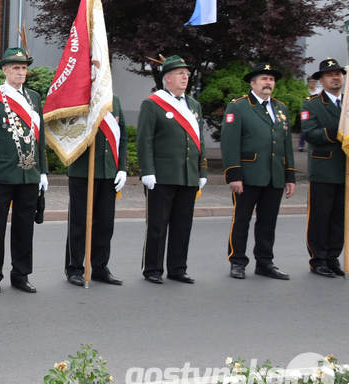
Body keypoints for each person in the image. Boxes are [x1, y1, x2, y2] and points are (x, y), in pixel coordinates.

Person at [0, 47, 48, 294]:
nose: (20, 72)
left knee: (24, 227)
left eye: (24, 68)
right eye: (15, 68)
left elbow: (41, 139)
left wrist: (44, 172)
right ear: (5, 70)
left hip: (29, 173)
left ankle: (21, 274)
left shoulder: (34, 98)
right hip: (1, 174)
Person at [221, 62, 296, 280]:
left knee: (268, 222)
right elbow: (229, 143)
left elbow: (286, 145)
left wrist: (289, 176)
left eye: (271, 79)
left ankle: (265, 262)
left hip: (274, 175)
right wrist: (234, 174)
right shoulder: (239, 106)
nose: (268, 83)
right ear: (253, 83)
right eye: (264, 79)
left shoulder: (281, 108)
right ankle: (237, 261)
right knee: (241, 219)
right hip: (248, 174)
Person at [137, 55, 206, 285]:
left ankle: (178, 268)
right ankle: (153, 269)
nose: (185, 77)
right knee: (157, 225)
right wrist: (147, 170)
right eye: (179, 74)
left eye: (186, 73)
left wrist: (202, 171)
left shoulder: (194, 105)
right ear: (167, 78)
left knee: (182, 224)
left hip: (188, 174)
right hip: (162, 175)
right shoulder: (152, 104)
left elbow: (199, 141)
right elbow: (144, 140)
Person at [65, 94, 127, 287]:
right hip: (83, 170)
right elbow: (66, 131)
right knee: (79, 223)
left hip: (108, 170)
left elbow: (121, 135)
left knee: (105, 224)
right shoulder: (77, 97)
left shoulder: (113, 100)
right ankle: (74, 267)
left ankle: (100, 267)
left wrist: (122, 167)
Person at [301, 58, 346, 278]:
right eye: (330, 75)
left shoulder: (347, 102)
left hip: (345, 169)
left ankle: (333, 257)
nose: (335, 77)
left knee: (340, 217)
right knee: (321, 216)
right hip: (324, 169)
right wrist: (336, 131)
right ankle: (318, 259)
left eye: (338, 74)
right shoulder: (312, 104)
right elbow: (310, 133)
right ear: (322, 80)